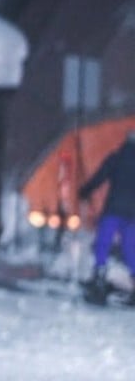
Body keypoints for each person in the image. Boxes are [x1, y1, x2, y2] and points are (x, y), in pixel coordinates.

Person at [79, 131, 135, 306]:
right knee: (130, 248)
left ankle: (99, 276)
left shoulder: (116, 158)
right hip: (132, 214)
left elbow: (100, 176)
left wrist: (85, 190)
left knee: (103, 243)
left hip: (113, 210)